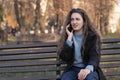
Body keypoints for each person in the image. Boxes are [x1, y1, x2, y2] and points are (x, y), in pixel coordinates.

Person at [58, 8, 106, 80]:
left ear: (84, 21)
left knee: (90, 78)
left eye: (77, 19)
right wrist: (69, 40)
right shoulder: (68, 37)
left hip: (88, 68)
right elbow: (64, 57)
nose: (74, 22)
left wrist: (87, 69)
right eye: (72, 19)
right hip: (73, 69)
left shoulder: (93, 36)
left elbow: (95, 56)